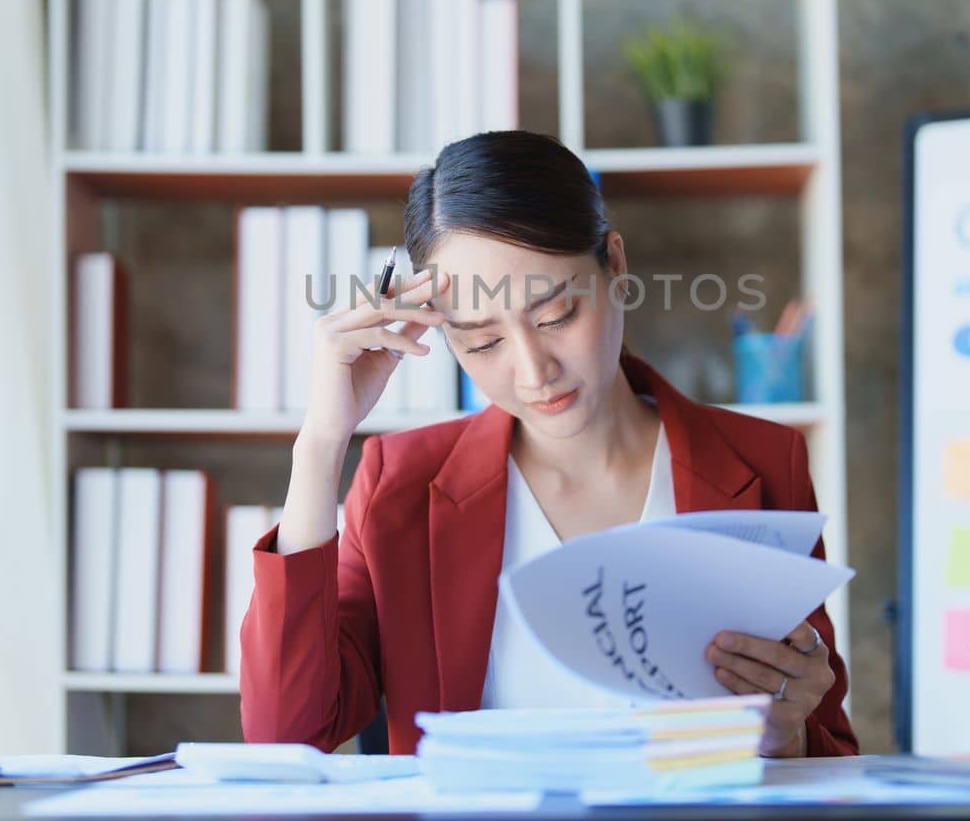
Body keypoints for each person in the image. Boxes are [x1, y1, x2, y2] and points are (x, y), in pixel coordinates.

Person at [240, 130, 857, 758]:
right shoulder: (400, 483)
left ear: (615, 264)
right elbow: (288, 731)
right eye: (481, 342)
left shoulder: (761, 462)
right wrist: (320, 443)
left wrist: (789, 734)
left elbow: (831, 747)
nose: (534, 373)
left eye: (556, 316)